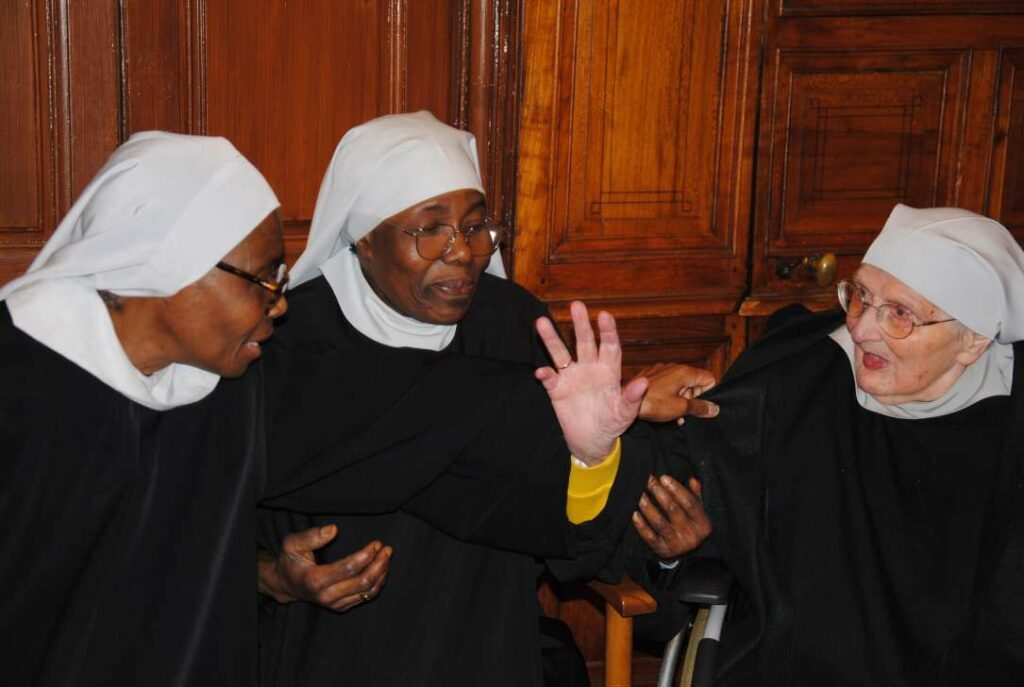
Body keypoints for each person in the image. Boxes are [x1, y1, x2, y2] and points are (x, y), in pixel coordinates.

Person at [254, 111, 718, 686]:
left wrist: (660, 546)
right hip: (330, 656)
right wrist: (272, 575)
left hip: (488, 643)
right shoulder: (290, 341)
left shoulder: (510, 322)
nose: (463, 253)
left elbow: (571, 525)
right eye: (431, 230)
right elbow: (207, 524)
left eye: (476, 227)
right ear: (365, 239)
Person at [0, 131, 306, 684]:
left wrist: (263, 574)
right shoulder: (20, 383)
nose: (278, 303)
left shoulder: (233, 381)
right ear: (166, 262)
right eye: (262, 278)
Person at [679, 204, 1024, 685]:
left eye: (899, 314)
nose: (860, 330)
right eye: (860, 296)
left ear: (973, 341)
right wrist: (680, 546)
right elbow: (686, 482)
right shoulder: (797, 379)